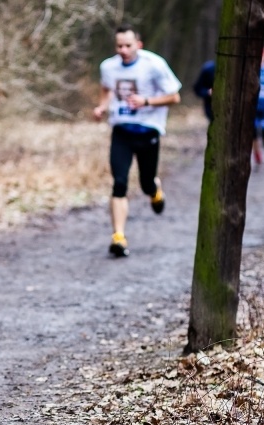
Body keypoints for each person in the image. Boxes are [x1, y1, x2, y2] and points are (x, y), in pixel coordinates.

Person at [93, 24, 182, 258]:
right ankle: (118, 237)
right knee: (119, 183)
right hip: (121, 131)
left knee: (146, 183)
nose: (123, 50)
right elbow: (106, 89)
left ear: (138, 45)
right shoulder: (108, 66)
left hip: (148, 130)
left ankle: (155, 191)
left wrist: (147, 101)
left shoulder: (154, 64)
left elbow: (175, 97)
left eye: (128, 45)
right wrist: (102, 107)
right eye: (119, 46)